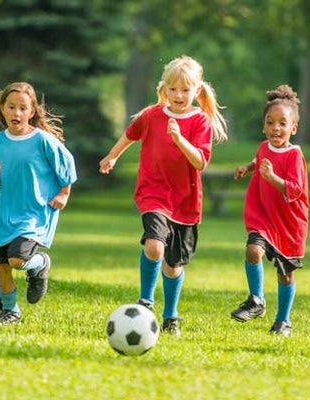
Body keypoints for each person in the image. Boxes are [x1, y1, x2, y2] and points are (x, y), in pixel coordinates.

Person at [98, 55, 229, 337]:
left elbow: (200, 162)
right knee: (155, 246)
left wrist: (180, 140)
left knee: (173, 265)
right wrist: (112, 156)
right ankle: (145, 301)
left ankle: (171, 315)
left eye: (185, 90)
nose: (178, 95)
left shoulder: (200, 122)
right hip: (153, 192)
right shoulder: (152, 116)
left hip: (185, 201)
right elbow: (130, 135)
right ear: (164, 89)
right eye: (173, 89)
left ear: (197, 91)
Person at [0, 82, 77, 325]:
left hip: (33, 214)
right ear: (3, 110)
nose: (17, 113)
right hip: (2, 214)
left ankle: (40, 263)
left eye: (23, 108)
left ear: (31, 112)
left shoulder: (42, 140)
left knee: (17, 260)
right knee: (1, 266)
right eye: (11, 107)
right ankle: (11, 312)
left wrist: (64, 193)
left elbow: (67, 167)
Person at [228, 85, 310, 337]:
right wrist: (248, 167)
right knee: (253, 250)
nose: (276, 128)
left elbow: (295, 189)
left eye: (282, 123)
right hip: (263, 215)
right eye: (270, 122)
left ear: (293, 128)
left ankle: (283, 321)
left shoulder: (295, 155)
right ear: (263, 126)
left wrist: (273, 178)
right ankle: (257, 300)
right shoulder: (264, 146)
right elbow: (261, 158)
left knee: (285, 275)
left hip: (289, 223)